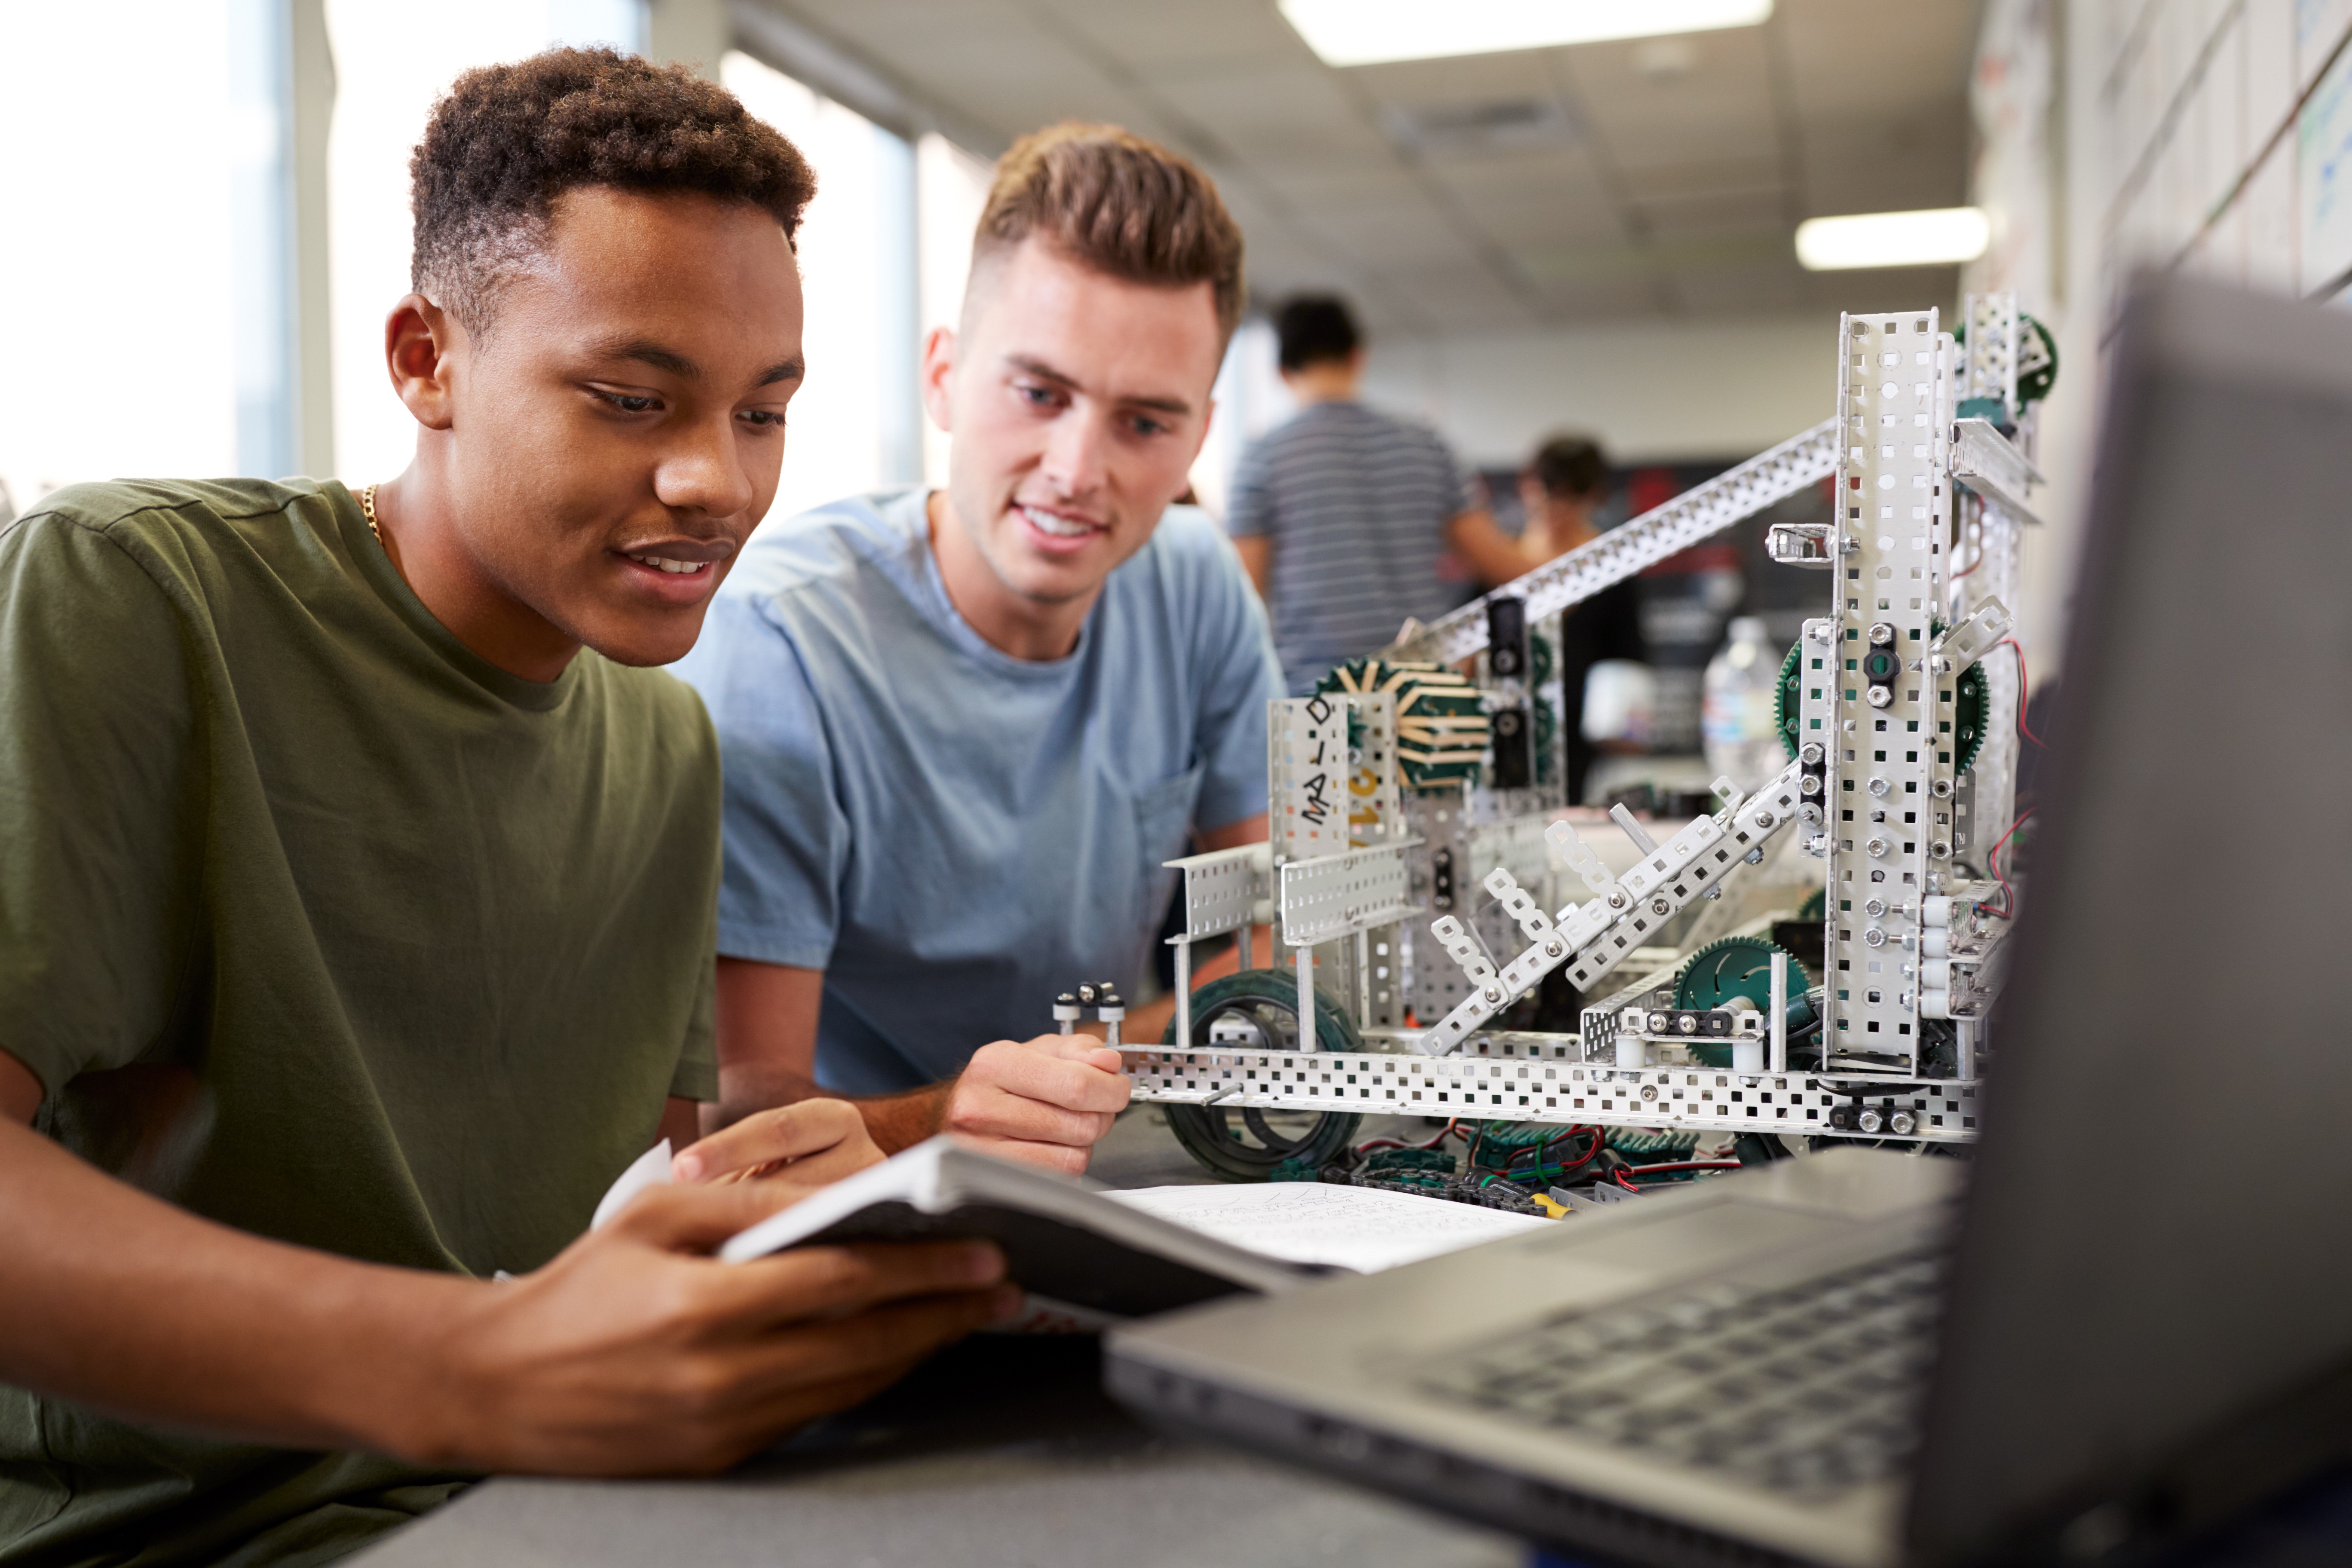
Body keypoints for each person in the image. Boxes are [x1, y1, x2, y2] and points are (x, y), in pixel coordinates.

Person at [0, 50, 1019, 1567]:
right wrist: (480, 1364)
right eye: (631, 398)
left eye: (763, 412)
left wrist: (879, 1165)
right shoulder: (136, 591)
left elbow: (625, 1226)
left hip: (563, 1507)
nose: (716, 480)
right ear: (427, 359)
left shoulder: (667, 741)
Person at [671, 124, 1279, 1168]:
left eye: (1143, 423)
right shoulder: (782, 641)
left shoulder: (1195, 584)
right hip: (865, 1201)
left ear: (1196, 436)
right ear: (944, 377)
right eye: (1039, 394)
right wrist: (961, 1114)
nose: (1076, 469)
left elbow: (1268, 949)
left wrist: (1082, 1081)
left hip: (1114, 1164)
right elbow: (746, 1121)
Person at [1227, 294, 1547, 694]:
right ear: (1357, 357)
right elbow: (1500, 564)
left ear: (1281, 371)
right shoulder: (1427, 444)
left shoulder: (1262, 458)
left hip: (1319, 703)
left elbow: (1242, 600)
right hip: (1423, 694)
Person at [1520, 432, 1647, 802]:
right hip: (1514, 730)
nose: (1557, 508)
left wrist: (1627, 727)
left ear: (1593, 496)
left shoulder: (1612, 567)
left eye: (1570, 498)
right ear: (1529, 488)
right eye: (1549, 494)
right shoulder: (1500, 566)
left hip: (1585, 741)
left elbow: (1627, 653)